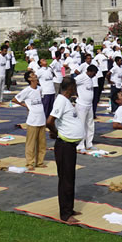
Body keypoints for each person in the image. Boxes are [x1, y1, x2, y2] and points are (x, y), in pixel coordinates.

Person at [47, 76, 84, 223]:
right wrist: (56, 132)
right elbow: (49, 121)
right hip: (64, 145)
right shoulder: (61, 101)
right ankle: (65, 214)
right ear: (70, 88)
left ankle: (69, 208)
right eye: (74, 87)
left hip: (70, 145)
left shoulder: (66, 101)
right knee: (65, 179)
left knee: (70, 177)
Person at [14, 71, 47, 169]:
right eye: (32, 75)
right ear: (29, 79)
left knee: (42, 143)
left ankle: (40, 162)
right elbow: (15, 99)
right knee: (31, 143)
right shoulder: (27, 90)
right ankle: (30, 163)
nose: (35, 75)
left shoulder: (40, 89)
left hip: (41, 119)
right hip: (33, 120)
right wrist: (26, 105)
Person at [74, 65, 98, 150]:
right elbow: (72, 82)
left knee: (90, 124)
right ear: (90, 71)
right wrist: (75, 92)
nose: (95, 75)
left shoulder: (90, 78)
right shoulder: (81, 77)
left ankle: (89, 143)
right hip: (82, 105)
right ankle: (80, 144)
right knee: (81, 125)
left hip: (89, 105)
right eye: (94, 73)